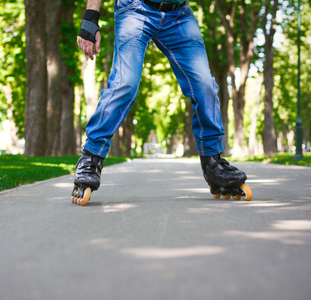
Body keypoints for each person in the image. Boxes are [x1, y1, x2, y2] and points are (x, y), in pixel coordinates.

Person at [71, 0, 251, 206]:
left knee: (204, 85)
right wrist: (90, 16)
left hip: (180, 14)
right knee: (125, 84)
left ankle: (212, 162)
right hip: (135, 9)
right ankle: (91, 157)